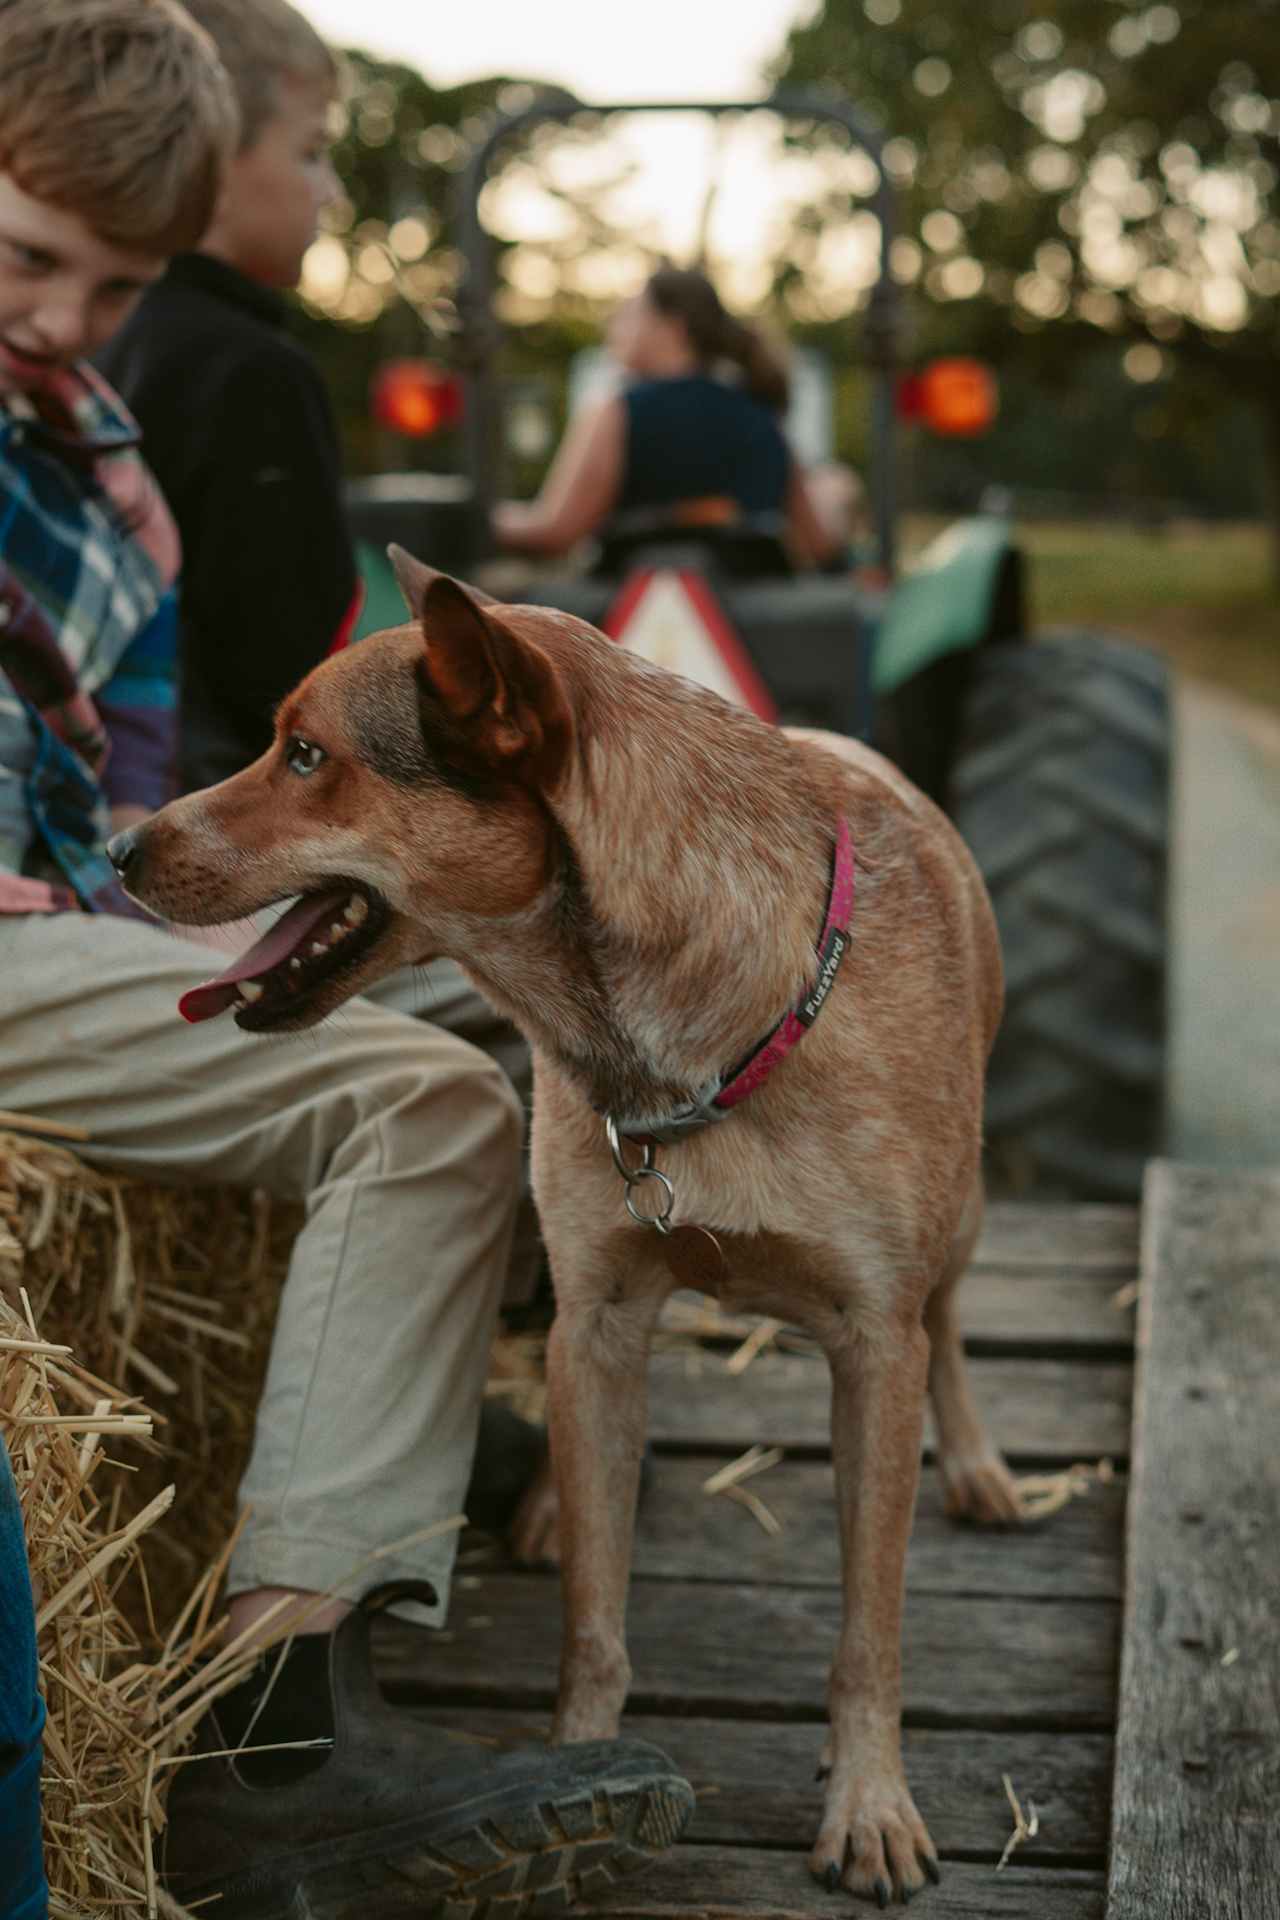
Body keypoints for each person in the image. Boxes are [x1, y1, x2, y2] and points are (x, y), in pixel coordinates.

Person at [0, 3, 689, 1913]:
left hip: (50, 926)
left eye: (113, 282)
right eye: (27, 258)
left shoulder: (107, 471)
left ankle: (384, 1488)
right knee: (425, 1100)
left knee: (481, 1013)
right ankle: (265, 1730)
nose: (64, 317)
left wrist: (205, 912)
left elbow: (115, 786)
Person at [98, 0, 546, 1332]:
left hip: (150, 799)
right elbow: (295, 677)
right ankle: (480, 1358)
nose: (331, 188)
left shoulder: (102, 345)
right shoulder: (247, 369)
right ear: (208, 149)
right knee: (532, 999)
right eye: (312, 151)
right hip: (224, 810)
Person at [494, 264, 843, 565]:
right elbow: (818, 543)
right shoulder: (763, 416)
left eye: (630, 313)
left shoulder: (618, 412)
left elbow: (555, 533)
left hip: (635, 634)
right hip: (754, 635)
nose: (614, 325)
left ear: (673, 327)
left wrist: (482, 519)